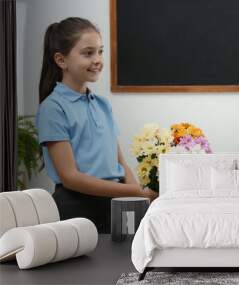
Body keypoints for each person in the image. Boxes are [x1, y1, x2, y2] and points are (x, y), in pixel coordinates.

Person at [36, 17, 158, 233]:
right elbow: (70, 177)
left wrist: (137, 197)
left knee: (121, 265)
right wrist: (136, 191)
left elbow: (120, 162)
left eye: (100, 51)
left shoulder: (102, 104)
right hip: (75, 209)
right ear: (61, 60)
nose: (97, 59)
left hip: (114, 204)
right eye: (88, 53)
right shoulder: (53, 108)